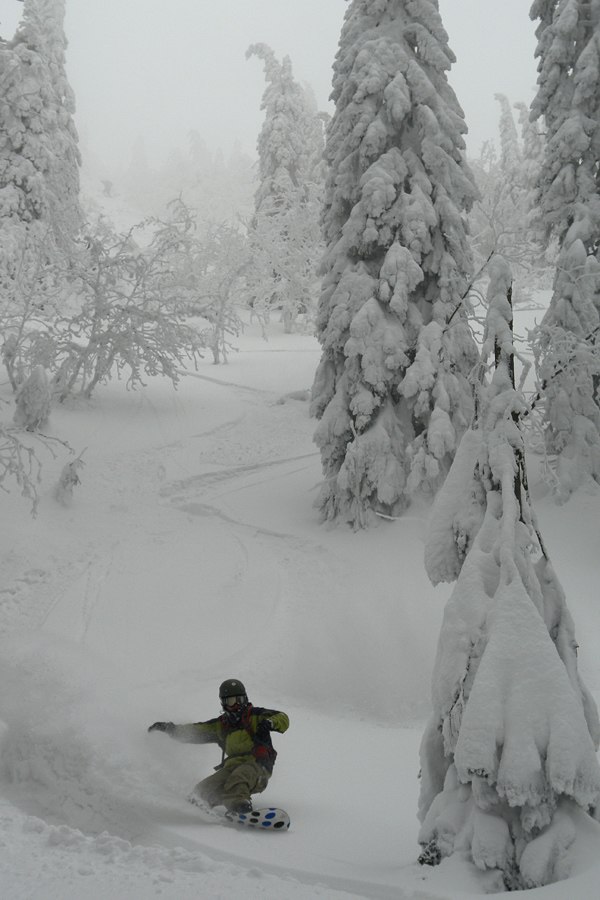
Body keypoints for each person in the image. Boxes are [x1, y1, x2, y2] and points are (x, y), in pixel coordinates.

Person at [148, 678, 289, 815]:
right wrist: (169, 729)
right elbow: (196, 731)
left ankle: (240, 806)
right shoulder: (222, 725)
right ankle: (196, 807)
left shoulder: (256, 716)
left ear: (245, 699)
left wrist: (270, 722)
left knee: (240, 777)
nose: (235, 706)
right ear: (223, 703)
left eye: (238, 700)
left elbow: (282, 718)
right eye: (230, 701)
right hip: (231, 767)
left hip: (258, 766)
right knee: (203, 788)